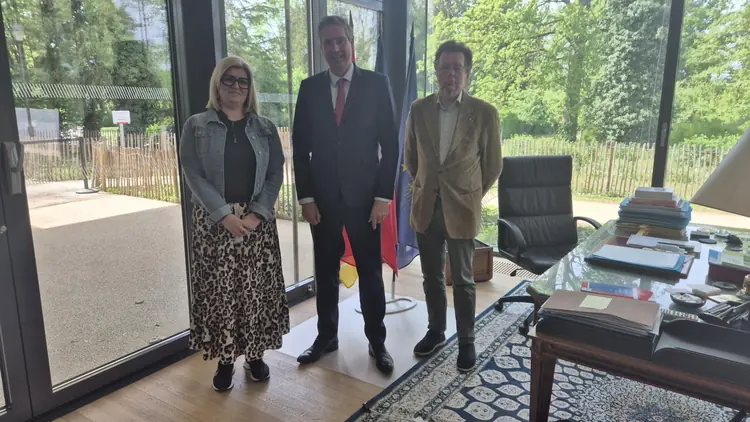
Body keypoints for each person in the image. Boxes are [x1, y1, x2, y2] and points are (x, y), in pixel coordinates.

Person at [292, 15, 399, 374]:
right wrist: (306, 198)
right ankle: (326, 337)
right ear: (321, 47)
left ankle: (377, 341)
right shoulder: (309, 88)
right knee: (325, 271)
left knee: (370, 272)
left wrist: (383, 197)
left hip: (366, 200)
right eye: (328, 42)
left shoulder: (376, 84)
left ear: (351, 43)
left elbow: (391, 145)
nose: (335, 48)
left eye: (340, 40)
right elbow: (300, 147)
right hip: (322, 201)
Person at [179, 55, 289, 391]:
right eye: (229, 79)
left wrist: (256, 214)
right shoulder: (196, 126)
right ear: (217, 83)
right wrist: (224, 215)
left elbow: (275, 172)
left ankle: (255, 356)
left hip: (257, 223)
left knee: (254, 291)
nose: (236, 86)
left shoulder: (265, 127)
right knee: (222, 293)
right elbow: (192, 173)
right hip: (215, 224)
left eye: (243, 81)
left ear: (249, 87)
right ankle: (226, 360)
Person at [404, 40, 503, 372]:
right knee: (431, 276)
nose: (451, 74)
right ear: (436, 71)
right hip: (426, 207)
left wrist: (468, 193)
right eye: (445, 67)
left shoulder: (484, 113)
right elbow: (411, 159)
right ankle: (436, 331)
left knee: (463, 279)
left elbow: (492, 166)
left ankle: (466, 340)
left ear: (467, 73)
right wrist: (429, 187)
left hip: (462, 208)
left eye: (457, 68)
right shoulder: (418, 110)